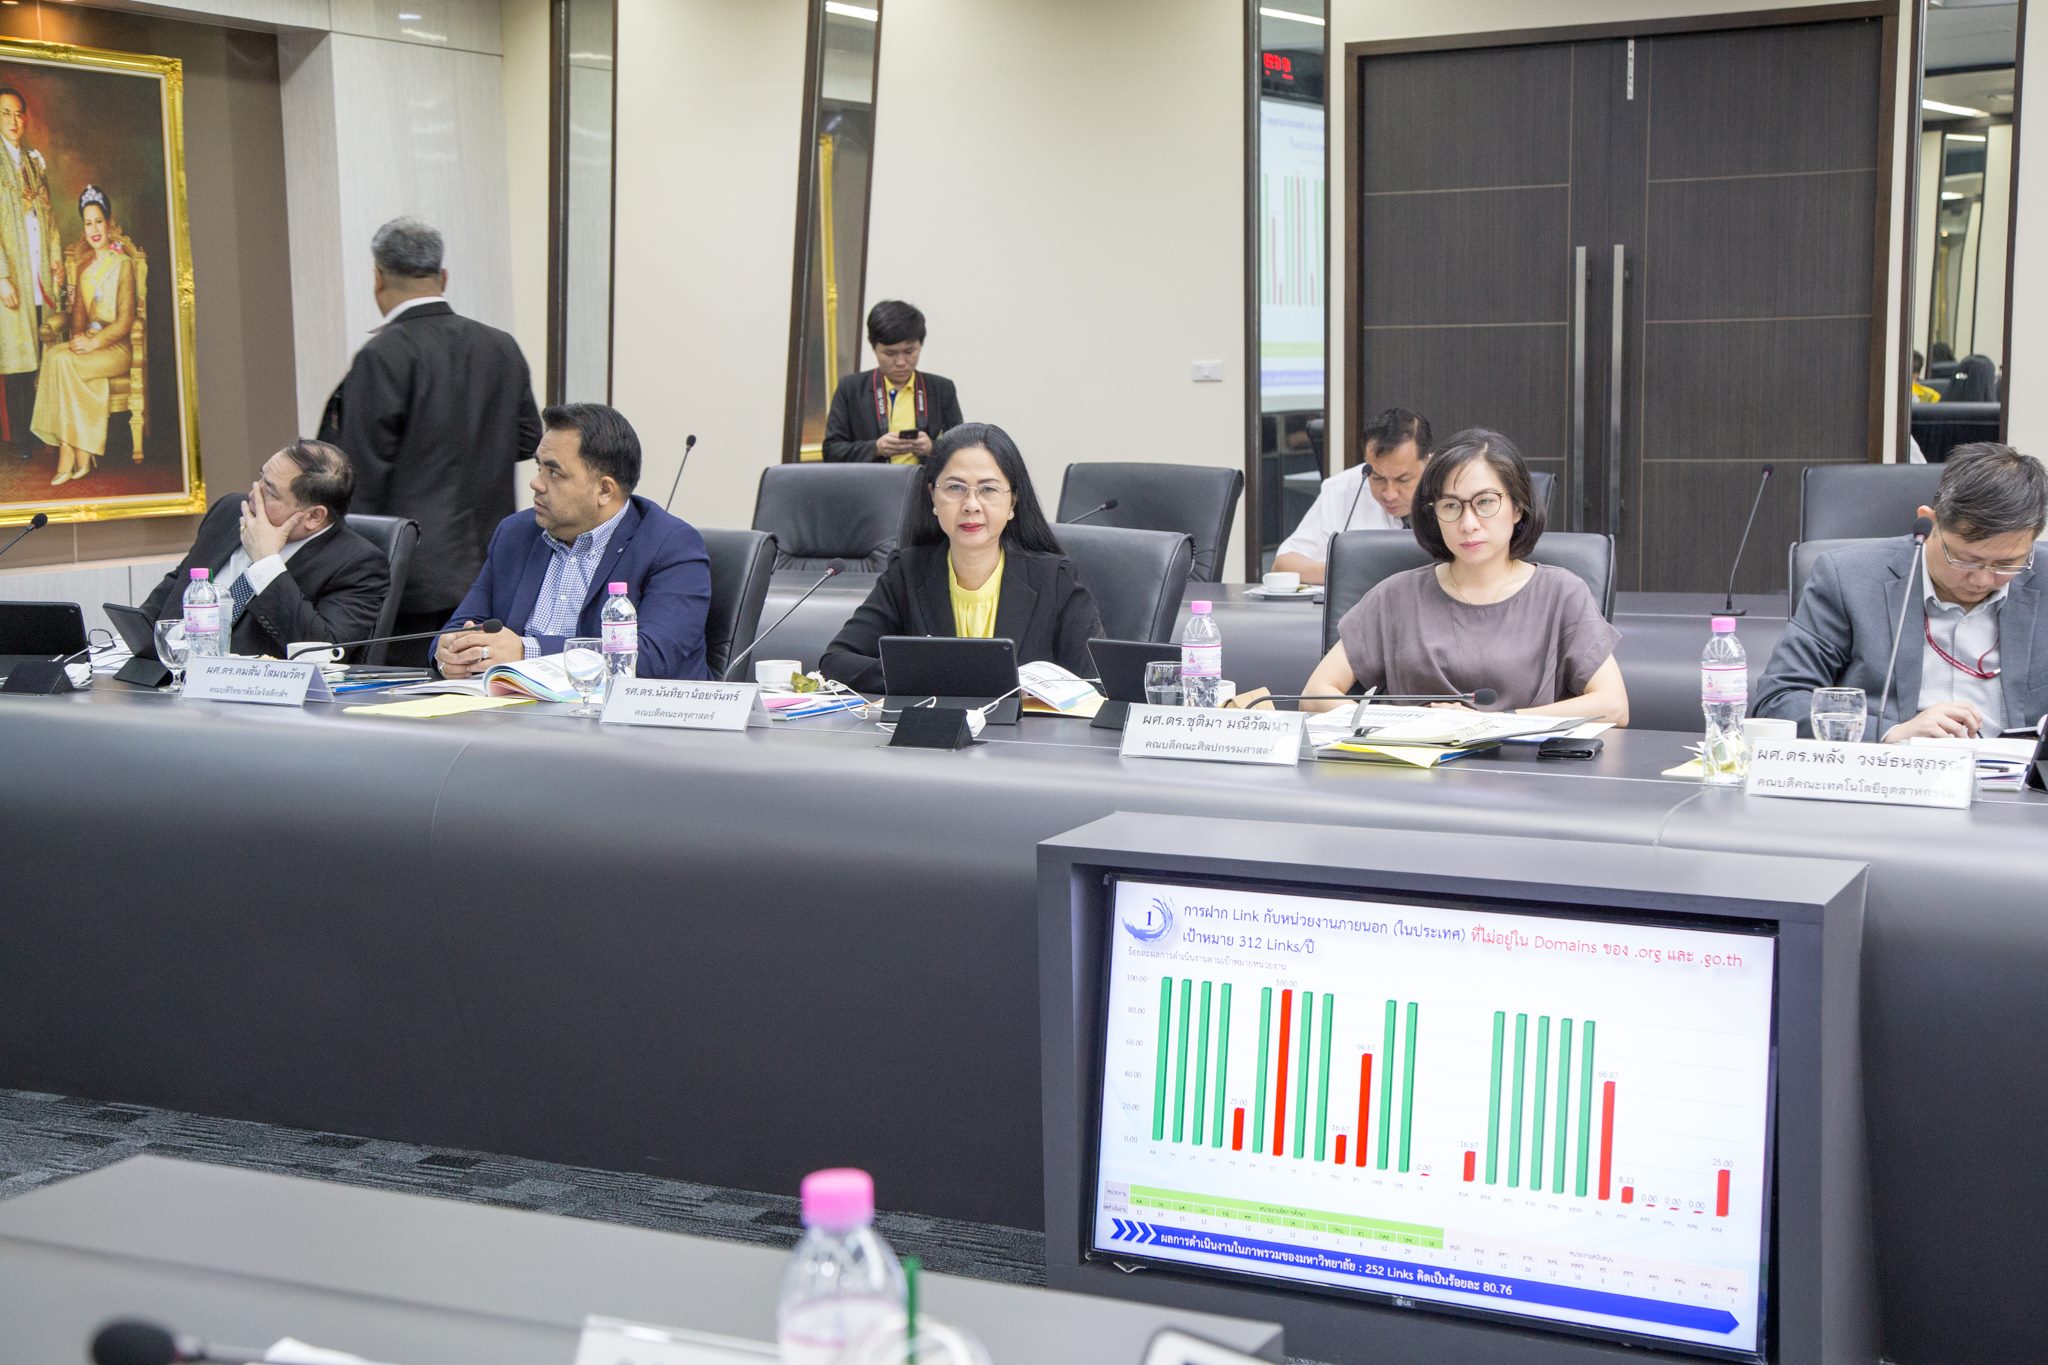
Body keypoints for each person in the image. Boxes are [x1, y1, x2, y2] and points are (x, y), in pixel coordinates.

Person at [1300, 427, 1628, 721]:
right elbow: (1315, 695)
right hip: (1412, 762)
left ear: (1518, 507)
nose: (1468, 524)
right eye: (1451, 506)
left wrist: (1490, 723)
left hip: (1522, 764)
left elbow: (1613, 705)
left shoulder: (1561, 593)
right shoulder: (1396, 595)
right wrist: (1406, 723)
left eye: (1485, 503)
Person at [337, 217, 542, 659]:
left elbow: (357, 475)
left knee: (413, 691)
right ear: (443, 277)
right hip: (494, 566)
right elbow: (529, 439)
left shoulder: (382, 355)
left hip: (410, 578)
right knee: (484, 687)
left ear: (378, 278)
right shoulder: (500, 346)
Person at [1753, 442, 2048, 741]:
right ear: (1930, 522)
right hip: (1895, 763)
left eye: (2007, 564)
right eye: (1965, 560)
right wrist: (1893, 732)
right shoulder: (1848, 578)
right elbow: (1779, 701)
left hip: (2019, 769)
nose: (1983, 579)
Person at [435, 403, 711, 681]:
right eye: (539, 467)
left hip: (626, 707)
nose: (536, 483)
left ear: (604, 490)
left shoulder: (672, 546)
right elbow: (460, 627)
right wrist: (449, 654)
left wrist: (525, 652)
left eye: (554, 473)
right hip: (511, 703)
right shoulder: (516, 533)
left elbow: (652, 658)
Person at [819, 422, 1104, 691]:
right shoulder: (907, 572)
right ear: (933, 496)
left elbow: (1096, 682)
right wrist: (934, 677)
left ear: (1013, 502)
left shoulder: (1055, 579)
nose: (971, 505)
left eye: (988, 489)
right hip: (933, 727)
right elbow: (836, 661)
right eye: (955, 487)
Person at [139, 440, 390, 658]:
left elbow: (322, 650)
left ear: (314, 516)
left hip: (253, 691)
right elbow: (172, 592)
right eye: (261, 478)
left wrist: (267, 564)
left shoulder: (358, 565)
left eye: (269, 491)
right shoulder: (229, 512)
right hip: (168, 677)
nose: (253, 493)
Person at [32, 186, 133, 485]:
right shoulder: (84, 267)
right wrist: (79, 340)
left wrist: (93, 343)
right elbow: (77, 316)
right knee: (55, 355)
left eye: (99, 221)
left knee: (63, 363)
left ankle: (70, 451)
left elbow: (126, 321)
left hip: (116, 349)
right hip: (91, 346)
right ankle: (80, 451)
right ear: (84, 228)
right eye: (88, 223)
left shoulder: (124, 265)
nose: (94, 229)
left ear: (109, 223)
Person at [1272, 407, 1433, 585]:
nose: (1389, 494)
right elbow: (1283, 565)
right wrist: (1349, 571)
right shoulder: (1342, 490)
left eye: (1403, 479)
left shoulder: (1451, 490)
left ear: (1428, 461)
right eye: (1377, 478)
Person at [821, 299, 964, 463]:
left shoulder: (942, 389)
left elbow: (963, 449)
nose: (901, 362)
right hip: (870, 479)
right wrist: (876, 448)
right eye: (890, 353)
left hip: (924, 479)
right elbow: (831, 451)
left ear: (920, 345)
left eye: (909, 351)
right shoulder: (850, 389)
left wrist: (932, 448)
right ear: (874, 348)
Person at [0, 86, 59, 459]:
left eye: (18, 113)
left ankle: (43, 428)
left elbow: (49, 217)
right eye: (5, 113)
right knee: (19, 358)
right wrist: (1, 276)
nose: (13, 120)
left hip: (38, 271)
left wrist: (55, 257)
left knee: (43, 347)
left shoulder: (34, 162)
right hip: (12, 276)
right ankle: (22, 439)